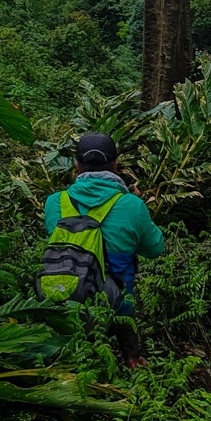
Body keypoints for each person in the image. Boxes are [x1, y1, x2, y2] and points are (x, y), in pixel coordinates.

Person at [43, 132, 164, 368]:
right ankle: (132, 358)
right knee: (122, 292)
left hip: (62, 297)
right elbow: (155, 248)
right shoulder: (131, 205)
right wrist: (135, 206)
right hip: (115, 305)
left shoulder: (55, 202)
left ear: (77, 165)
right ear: (116, 164)